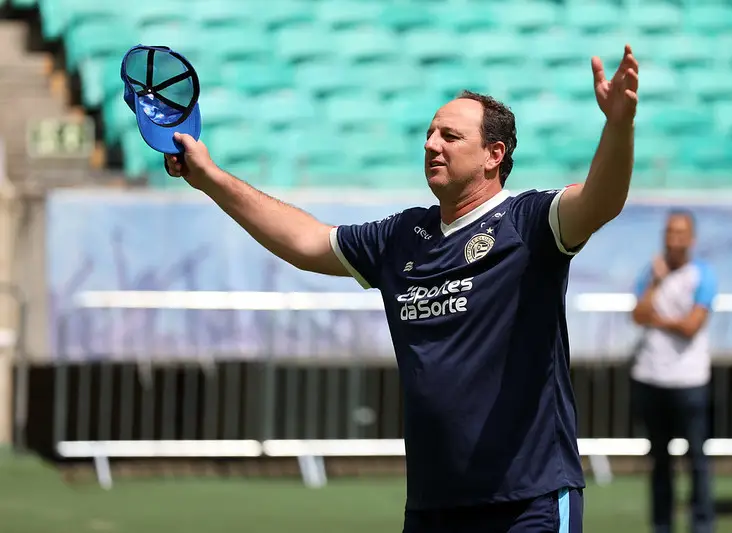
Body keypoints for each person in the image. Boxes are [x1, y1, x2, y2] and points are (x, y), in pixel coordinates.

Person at [165, 46, 639, 533]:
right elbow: (307, 240)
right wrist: (211, 178)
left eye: (451, 136)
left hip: (529, 500)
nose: (432, 144)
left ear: (494, 155)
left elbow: (600, 201)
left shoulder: (529, 223)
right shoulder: (401, 236)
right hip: (435, 506)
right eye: (430, 133)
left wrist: (618, 126)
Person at [630, 209, 718, 533]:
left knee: (698, 462)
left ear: (691, 238)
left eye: (680, 232)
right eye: (669, 232)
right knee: (660, 464)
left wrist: (660, 320)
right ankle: (662, 525)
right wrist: (656, 282)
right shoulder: (651, 273)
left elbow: (692, 325)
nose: (674, 238)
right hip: (651, 378)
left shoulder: (703, 275)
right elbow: (638, 315)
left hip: (690, 381)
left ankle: (702, 525)